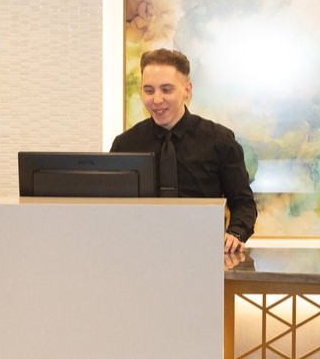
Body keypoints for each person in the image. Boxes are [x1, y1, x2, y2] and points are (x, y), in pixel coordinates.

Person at [110, 48, 257, 253]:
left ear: (187, 90)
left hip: (203, 255)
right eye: (149, 90)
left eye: (167, 89)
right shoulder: (124, 145)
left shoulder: (220, 141)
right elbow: (110, 209)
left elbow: (243, 203)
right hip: (139, 257)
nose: (157, 100)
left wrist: (235, 234)